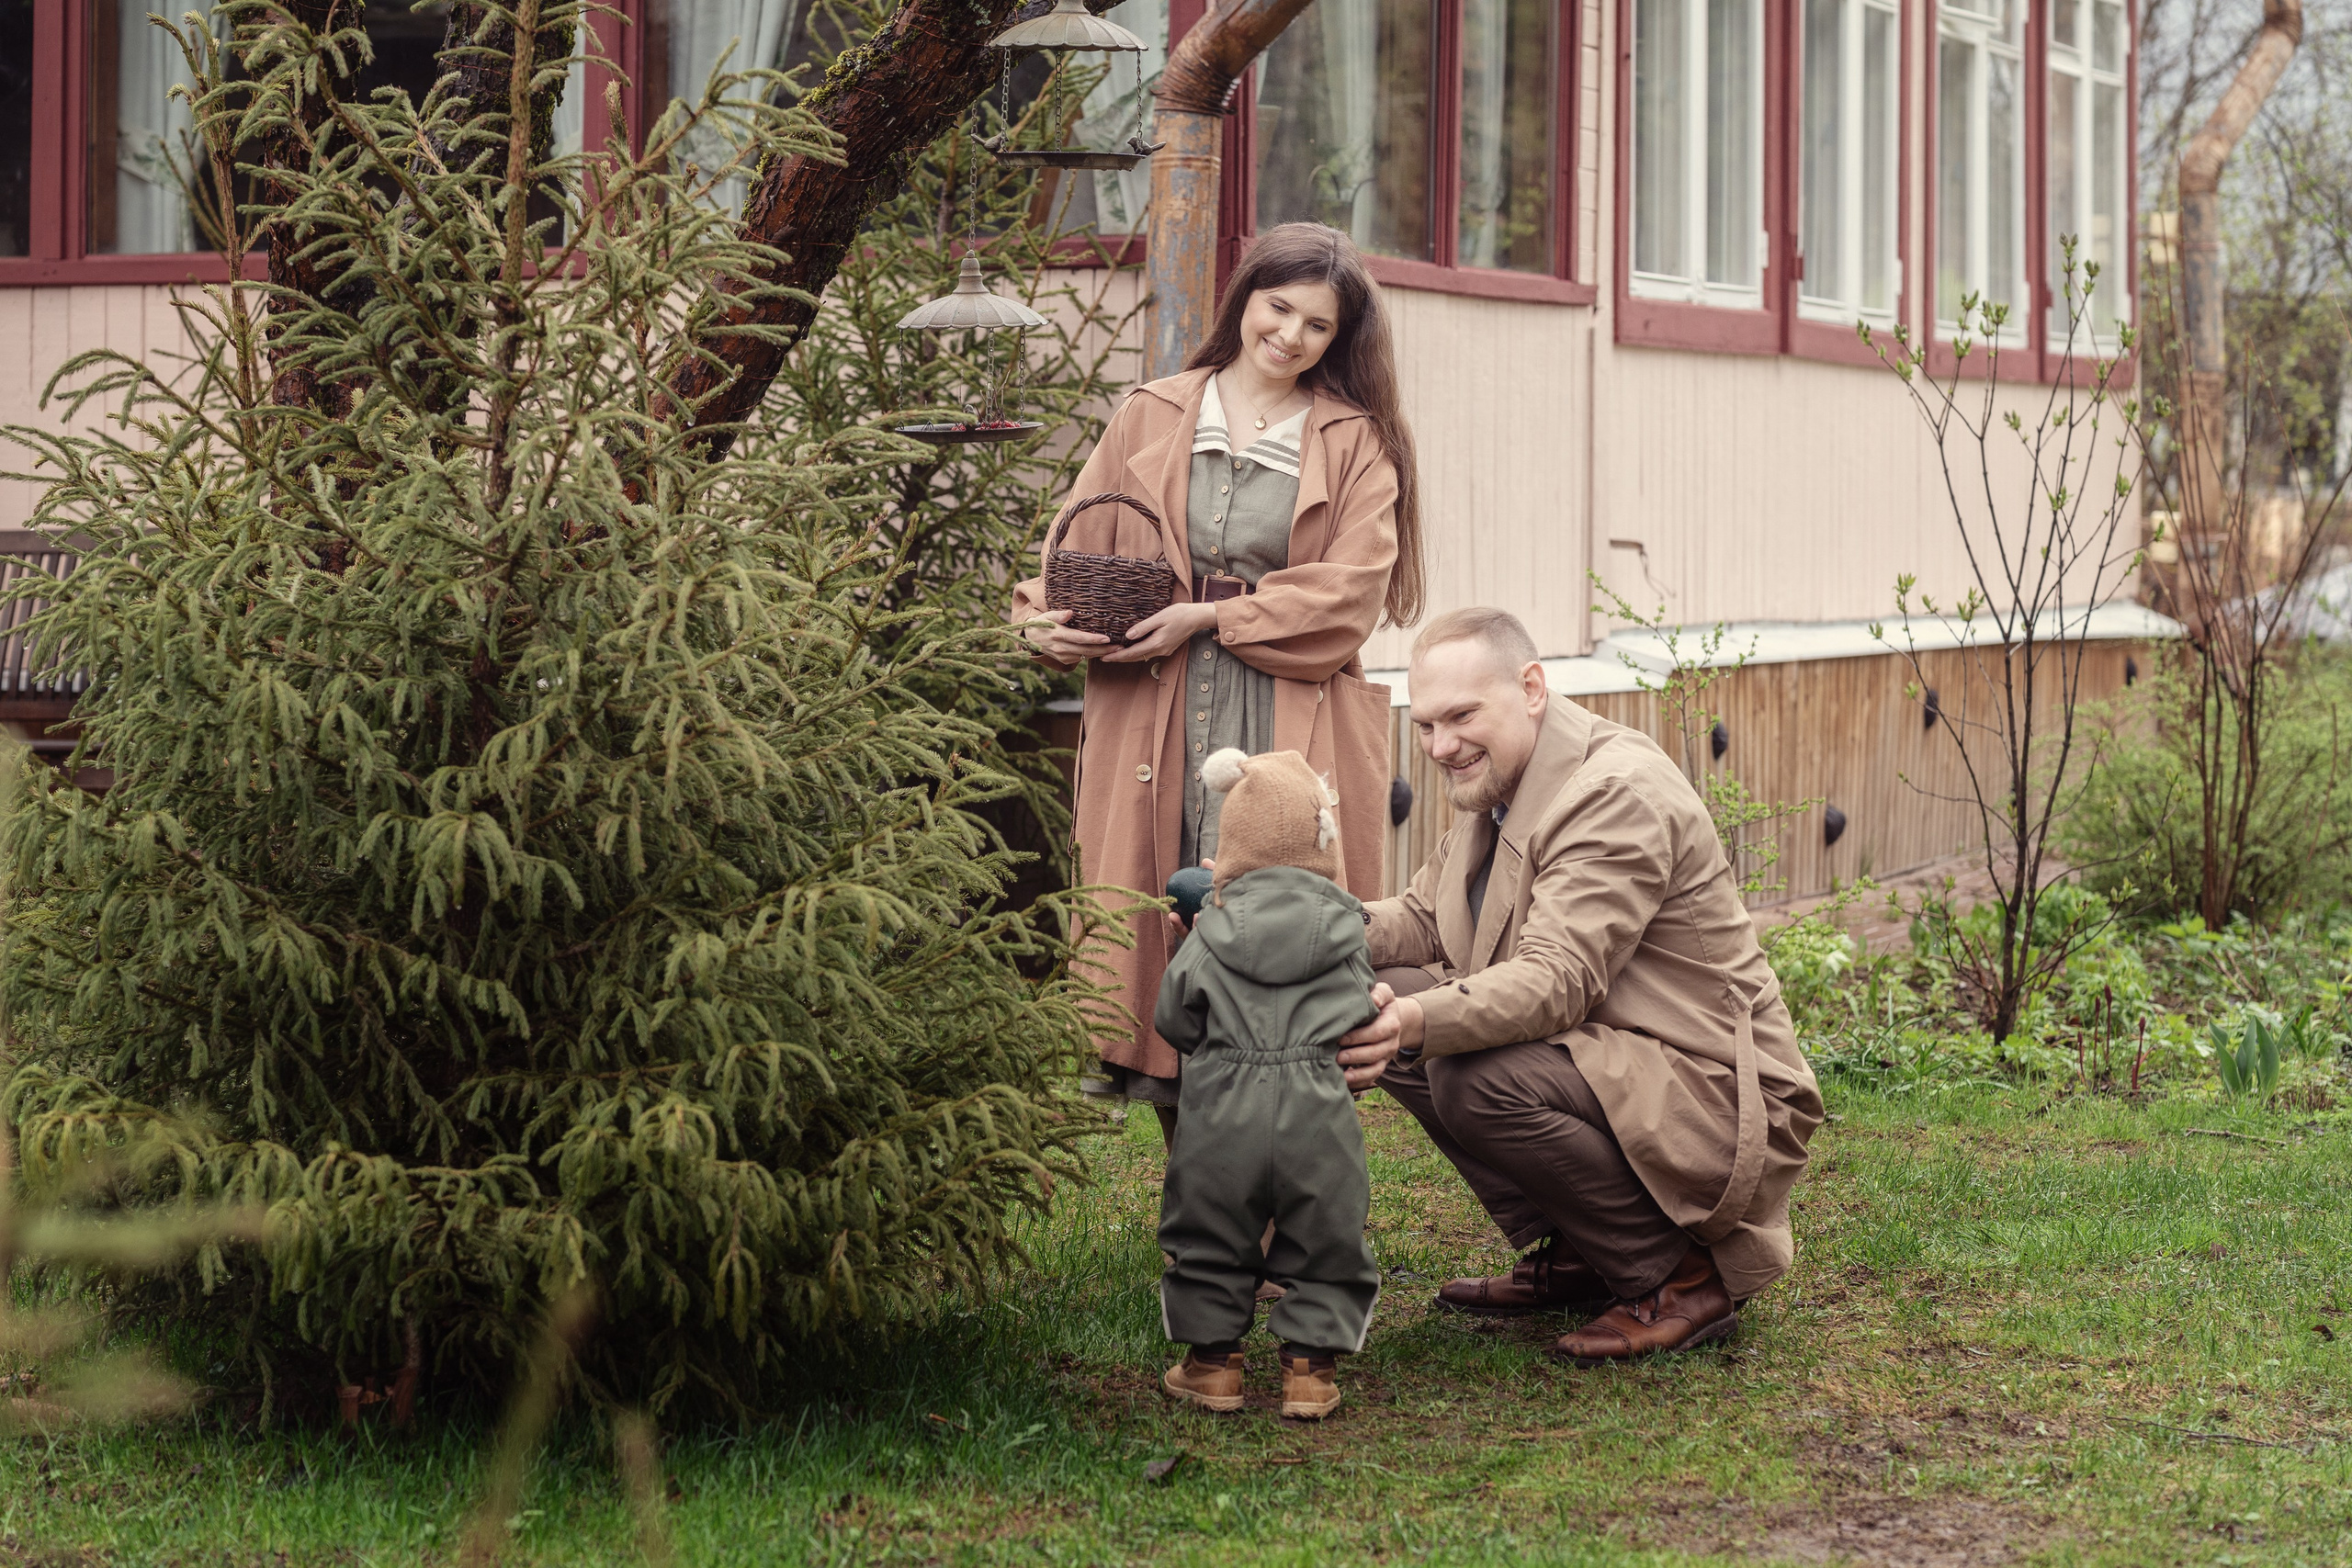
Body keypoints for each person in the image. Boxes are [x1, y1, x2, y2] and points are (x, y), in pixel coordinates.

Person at [1009, 222, 1423, 1143]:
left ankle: (1277, 1196)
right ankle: (1199, 1193)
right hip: (1152, 707)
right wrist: (1040, 620)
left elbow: (1351, 594)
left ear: (1338, 338)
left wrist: (1208, 617)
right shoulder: (1151, 413)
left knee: (1272, 925)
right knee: (1155, 918)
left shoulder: (1354, 441)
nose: (1290, 335)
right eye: (1279, 308)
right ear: (1245, 298)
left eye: (1317, 325)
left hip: (1281, 706)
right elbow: (1074, 546)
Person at [1331, 607, 1825, 1365]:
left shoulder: (1614, 791)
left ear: (1531, 688)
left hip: (1719, 1090)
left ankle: (1677, 1279)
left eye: (1462, 716)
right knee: (1378, 984)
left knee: (1466, 1070)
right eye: (1426, 724)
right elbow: (1424, 918)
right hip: (1623, 1059)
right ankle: (1585, 1251)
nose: (1440, 745)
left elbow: (1557, 980)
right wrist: (1294, 924)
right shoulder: (1505, 782)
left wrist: (1409, 1024)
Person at [1153, 748, 1383, 1421]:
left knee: (1210, 1230)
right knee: (1326, 1234)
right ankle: (1309, 1372)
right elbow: (1362, 1011)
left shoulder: (1209, 933)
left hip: (1221, 1111)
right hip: (1319, 1113)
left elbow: (1174, 1019)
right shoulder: (1347, 933)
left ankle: (1213, 1366)